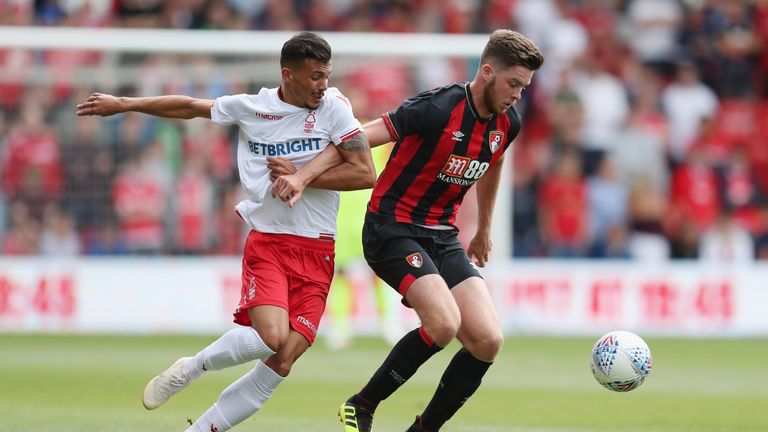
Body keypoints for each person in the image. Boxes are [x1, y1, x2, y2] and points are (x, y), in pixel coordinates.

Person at [76, 32, 375, 432]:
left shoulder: (335, 108)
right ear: (288, 74)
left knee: (283, 359)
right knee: (270, 337)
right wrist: (124, 104)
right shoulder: (252, 107)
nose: (323, 85)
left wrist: (303, 178)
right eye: (315, 76)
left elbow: (365, 173)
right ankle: (193, 367)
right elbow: (187, 107)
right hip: (269, 240)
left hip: (318, 247)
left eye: (327, 75)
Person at [271, 29, 544, 432]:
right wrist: (305, 175)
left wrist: (484, 229)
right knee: (444, 325)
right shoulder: (438, 107)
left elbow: (495, 158)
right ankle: (361, 405)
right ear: (487, 72)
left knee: (488, 340)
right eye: (514, 84)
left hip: (442, 236)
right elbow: (358, 137)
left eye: (524, 87)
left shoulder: (508, 123)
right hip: (391, 227)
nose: (518, 95)